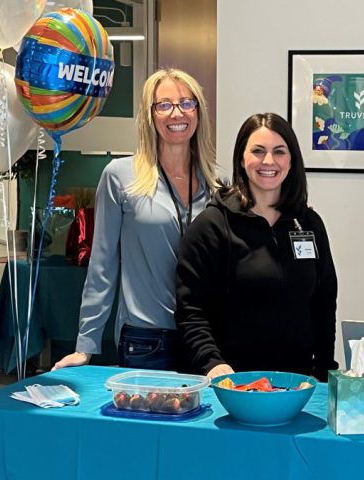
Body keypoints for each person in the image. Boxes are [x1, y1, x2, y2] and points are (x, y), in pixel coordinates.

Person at [52, 68, 219, 371]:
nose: (176, 113)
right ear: (149, 115)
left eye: (186, 103)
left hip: (206, 342)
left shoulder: (217, 185)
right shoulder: (120, 177)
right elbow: (102, 266)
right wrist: (85, 346)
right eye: (164, 105)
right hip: (146, 340)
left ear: (198, 111)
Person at [175, 112, 338, 381]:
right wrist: (213, 365)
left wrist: (323, 374)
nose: (269, 161)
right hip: (231, 384)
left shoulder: (309, 223)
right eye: (258, 151)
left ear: (291, 159)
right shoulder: (212, 226)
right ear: (242, 157)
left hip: (297, 385)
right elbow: (191, 311)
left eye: (279, 151)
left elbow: (323, 305)